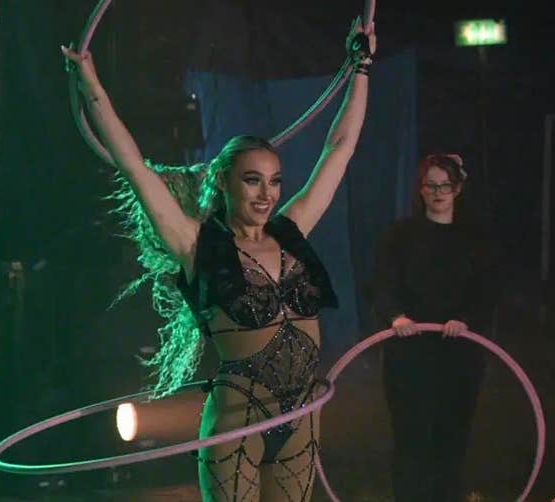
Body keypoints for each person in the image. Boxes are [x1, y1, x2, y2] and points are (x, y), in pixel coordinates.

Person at [62, 18, 375, 502]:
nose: (266, 193)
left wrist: (361, 67)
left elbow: (340, 147)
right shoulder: (196, 245)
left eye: (273, 180)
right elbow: (133, 166)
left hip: (300, 419)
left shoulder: (292, 232)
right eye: (252, 180)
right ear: (224, 183)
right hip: (238, 422)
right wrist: (91, 83)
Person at [369, 153, 500, 501]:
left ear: (457, 188)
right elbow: (382, 285)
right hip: (409, 352)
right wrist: (396, 316)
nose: (438, 192)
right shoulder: (399, 236)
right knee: (411, 439)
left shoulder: (476, 239)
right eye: (431, 185)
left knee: (452, 438)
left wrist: (465, 320)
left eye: (446, 185)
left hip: (459, 354)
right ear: (421, 189)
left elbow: (487, 291)